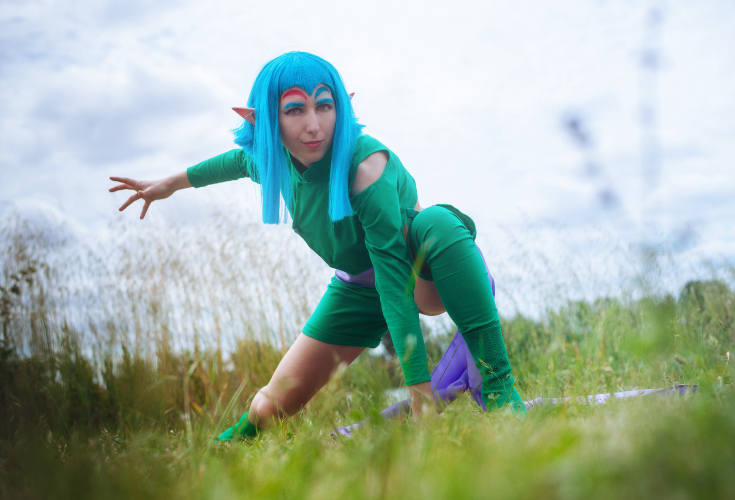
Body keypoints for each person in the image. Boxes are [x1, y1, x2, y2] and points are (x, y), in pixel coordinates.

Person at [109, 51, 526, 442]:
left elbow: (394, 284)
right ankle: (226, 443)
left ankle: (501, 390)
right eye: (295, 110)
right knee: (269, 407)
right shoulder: (273, 161)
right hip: (357, 285)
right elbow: (233, 162)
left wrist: (420, 398)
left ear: (342, 106)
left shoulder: (366, 166)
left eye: (324, 105)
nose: (314, 125)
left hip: (420, 274)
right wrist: (169, 184)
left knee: (437, 221)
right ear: (262, 120)